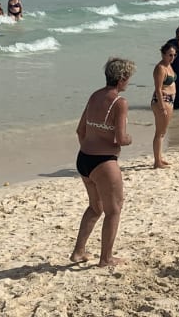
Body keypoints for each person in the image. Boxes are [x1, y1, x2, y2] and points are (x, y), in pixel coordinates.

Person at [71, 57, 134, 267]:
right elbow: (121, 138)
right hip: (104, 162)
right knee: (113, 210)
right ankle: (106, 258)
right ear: (121, 78)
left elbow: (80, 130)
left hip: (84, 158)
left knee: (95, 207)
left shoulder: (95, 96)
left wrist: (89, 147)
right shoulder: (120, 102)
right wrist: (130, 139)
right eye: (128, 78)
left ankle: (79, 251)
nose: (128, 82)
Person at [150, 42, 178, 168]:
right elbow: (158, 88)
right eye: (170, 55)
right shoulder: (160, 68)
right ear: (163, 54)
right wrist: (162, 107)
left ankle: (159, 158)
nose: (172, 57)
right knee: (160, 132)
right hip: (163, 100)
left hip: (169, 100)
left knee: (163, 132)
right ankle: (157, 162)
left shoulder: (169, 66)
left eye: (174, 55)